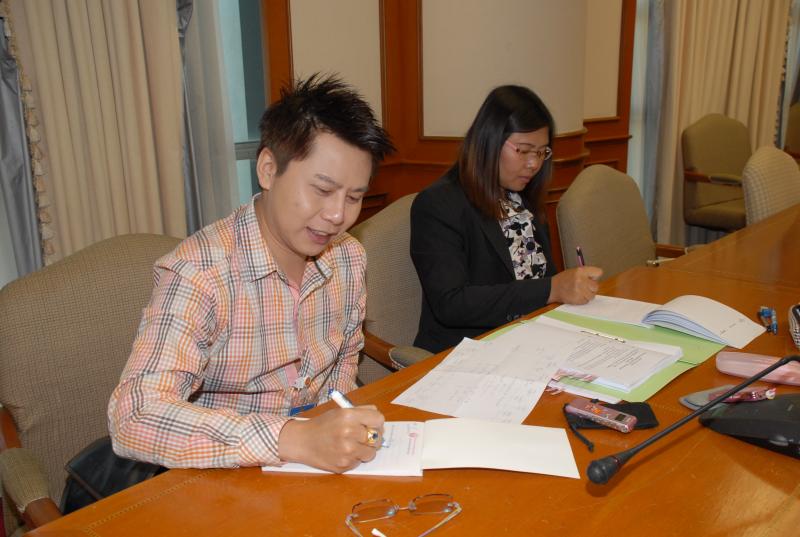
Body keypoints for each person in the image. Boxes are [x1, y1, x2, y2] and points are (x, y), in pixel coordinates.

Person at [108, 75, 394, 473]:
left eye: (354, 197)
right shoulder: (201, 272)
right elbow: (134, 417)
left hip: (314, 468)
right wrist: (293, 439)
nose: (337, 215)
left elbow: (344, 359)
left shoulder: (347, 256)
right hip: (222, 474)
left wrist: (338, 420)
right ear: (268, 169)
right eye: (322, 190)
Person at [410, 85, 602, 353]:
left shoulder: (522, 197)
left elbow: (543, 275)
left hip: (533, 340)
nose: (534, 164)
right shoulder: (439, 204)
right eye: (524, 150)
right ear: (489, 141)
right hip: (469, 351)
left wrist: (566, 289)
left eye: (541, 152)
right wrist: (551, 289)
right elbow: (452, 303)